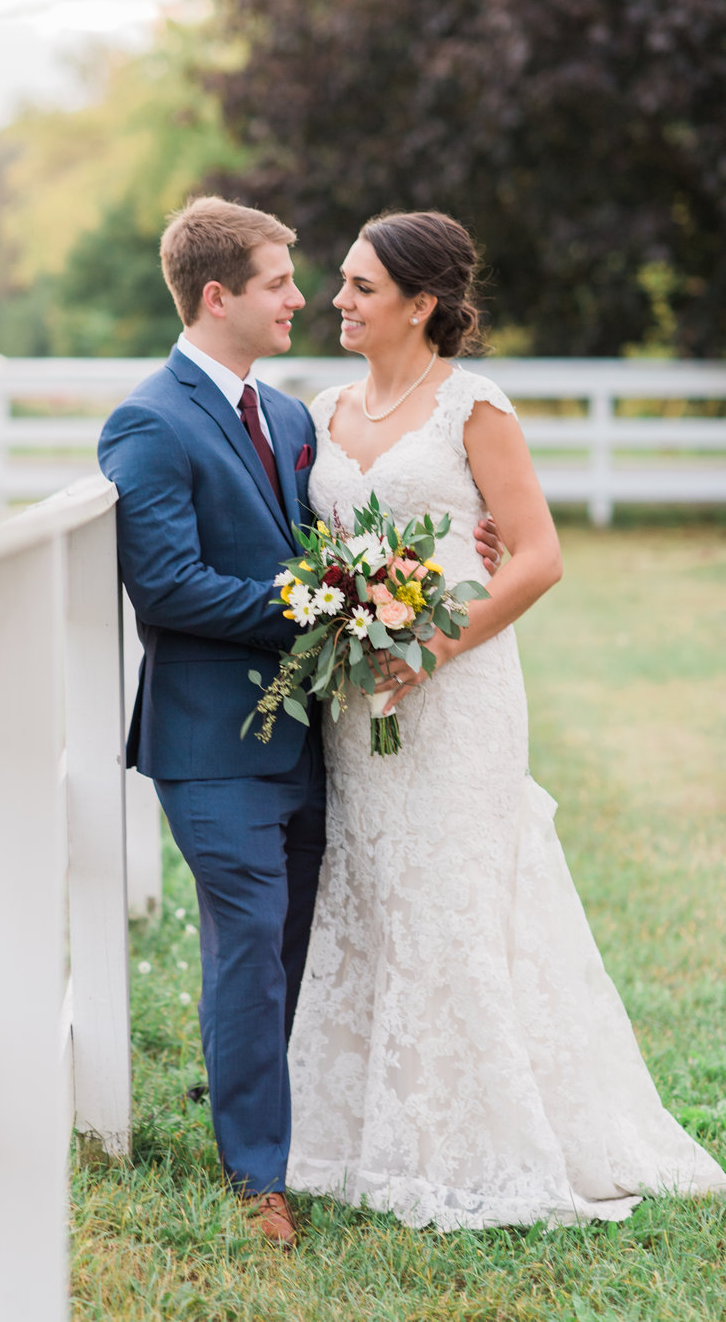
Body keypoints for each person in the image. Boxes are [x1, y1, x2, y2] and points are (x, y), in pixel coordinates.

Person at [285, 208, 726, 1228]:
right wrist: (351, 624)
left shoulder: (474, 406)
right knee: (374, 883)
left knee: (456, 886)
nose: (336, 300)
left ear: (420, 304)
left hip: (460, 689)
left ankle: (480, 1134)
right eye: (340, 281)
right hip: (357, 697)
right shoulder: (324, 407)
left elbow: (534, 553)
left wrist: (430, 646)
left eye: (358, 286)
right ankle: (361, 1126)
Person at [98, 196, 500, 1248]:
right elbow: (172, 587)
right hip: (208, 741)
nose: (303, 298)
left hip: (308, 735)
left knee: (293, 942)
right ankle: (256, 1176)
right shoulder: (148, 420)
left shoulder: (289, 419)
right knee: (247, 943)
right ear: (219, 294)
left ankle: (265, 1112)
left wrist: (442, 558)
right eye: (281, 281)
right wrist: (324, 604)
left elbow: (355, 522)